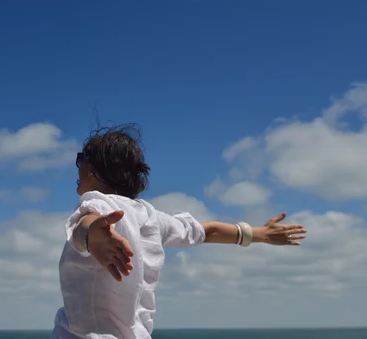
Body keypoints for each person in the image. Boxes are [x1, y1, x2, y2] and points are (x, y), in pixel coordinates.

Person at [51, 124, 307, 339]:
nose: (78, 167)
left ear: (94, 168)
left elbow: (86, 221)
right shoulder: (151, 217)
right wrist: (260, 233)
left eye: (81, 159)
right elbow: (208, 231)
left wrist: (91, 234)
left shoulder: (97, 203)